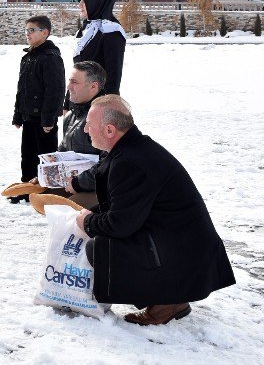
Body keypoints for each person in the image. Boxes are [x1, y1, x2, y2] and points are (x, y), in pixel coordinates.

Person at [75, 95, 235, 325]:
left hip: (185, 255)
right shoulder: (131, 149)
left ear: (109, 130)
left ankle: (166, 303)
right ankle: (172, 298)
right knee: (103, 241)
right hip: (182, 246)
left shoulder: (130, 161)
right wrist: (91, 214)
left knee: (101, 247)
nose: (85, 129)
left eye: (89, 124)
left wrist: (89, 222)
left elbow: (120, 224)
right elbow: (124, 205)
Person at [28, 61, 106, 213]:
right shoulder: (71, 116)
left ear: (93, 87)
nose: (68, 87)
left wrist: (78, 183)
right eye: (69, 81)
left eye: (74, 82)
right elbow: (63, 153)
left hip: (101, 187)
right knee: (42, 197)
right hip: (76, 183)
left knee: (65, 209)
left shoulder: (104, 116)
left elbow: (109, 165)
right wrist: (47, 174)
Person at [10, 15, 65, 202]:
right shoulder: (27, 57)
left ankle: (46, 192)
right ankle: (27, 189)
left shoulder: (51, 58)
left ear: (45, 32)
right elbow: (21, 90)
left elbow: (55, 91)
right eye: (26, 30)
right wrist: (18, 115)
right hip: (29, 117)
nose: (28, 34)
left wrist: (49, 118)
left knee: (45, 158)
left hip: (44, 120)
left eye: (32, 30)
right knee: (28, 156)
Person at [68, 0, 126, 109]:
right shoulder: (87, 30)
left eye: (84, 1)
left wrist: (108, 109)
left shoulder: (111, 32)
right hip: (78, 102)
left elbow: (113, 76)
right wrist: (68, 103)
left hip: (97, 107)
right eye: (80, 1)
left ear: (96, 2)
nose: (80, 5)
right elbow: (77, 71)